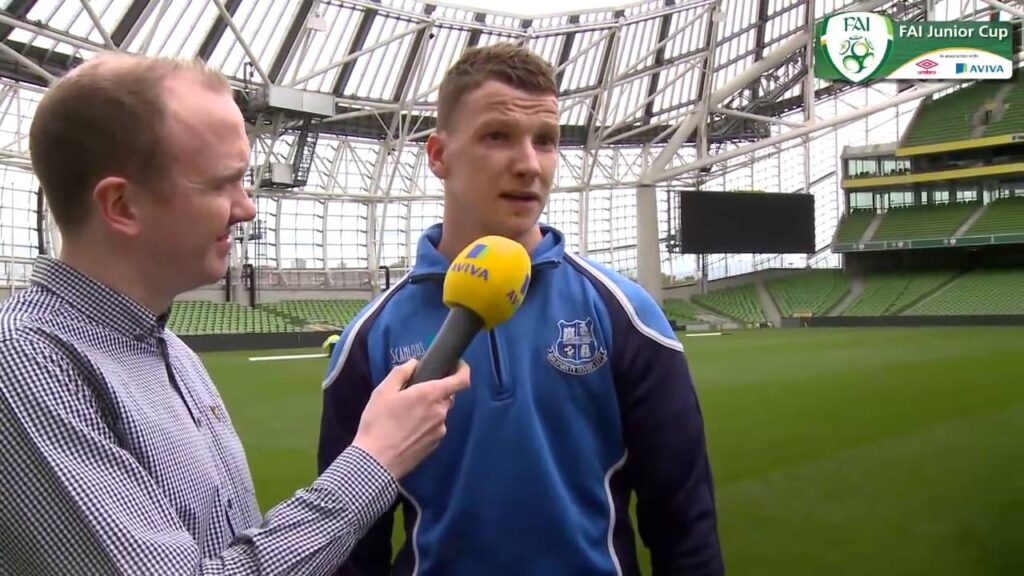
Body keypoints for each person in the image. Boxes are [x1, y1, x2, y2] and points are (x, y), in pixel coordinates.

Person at [0, 53, 469, 575]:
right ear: (122, 206)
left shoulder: (172, 353)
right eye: (222, 183)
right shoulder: (25, 362)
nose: (247, 208)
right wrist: (375, 459)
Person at [319, 43, 724, 576]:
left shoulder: (625, 314)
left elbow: (684, 524)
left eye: (547, 141)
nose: (529, 164)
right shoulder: (371, 337)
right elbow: (351, 546)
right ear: (439, 155)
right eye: (497, 137)